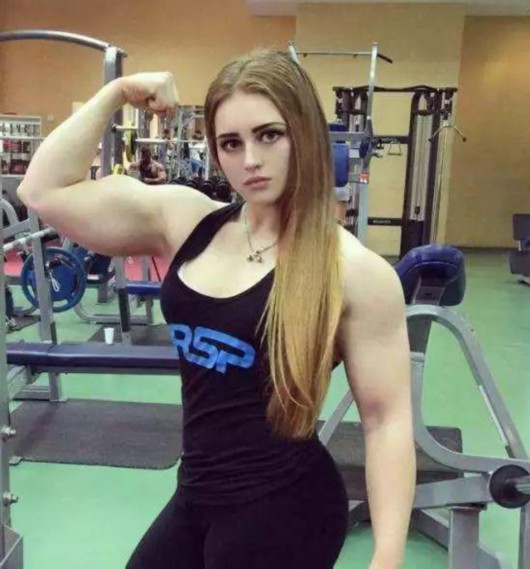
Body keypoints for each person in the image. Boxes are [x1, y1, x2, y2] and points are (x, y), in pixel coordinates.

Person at [17, 49, 416, 569]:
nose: (250, 159)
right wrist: (117, 92)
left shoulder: (354, 271)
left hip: (287, 505)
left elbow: (386, 420)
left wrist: (388, 555)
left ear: (304, 134)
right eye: (231, 142)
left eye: (269, 135)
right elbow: (41, 190)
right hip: (196, 491)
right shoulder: (188, 220)